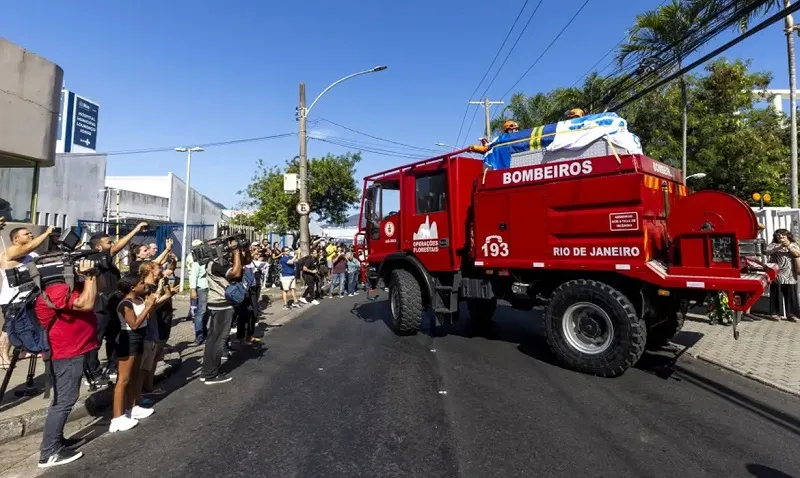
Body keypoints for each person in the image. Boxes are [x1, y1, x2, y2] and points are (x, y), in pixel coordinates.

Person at [35, 259, 99, 468]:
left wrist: (92, 275)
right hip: (66, 353)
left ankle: (57, 440)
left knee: (65, 398)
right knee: (64, 400)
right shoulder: (55, 289)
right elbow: (87, 303)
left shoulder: (65, 286)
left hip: (73, 350)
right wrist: (89, 276)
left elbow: (97, 292)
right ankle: (49, 452)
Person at [85, 222, 149, 385]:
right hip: (100, 306)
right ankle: (93, 372)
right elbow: (116, 248)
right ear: (99, 247)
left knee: (114, 337)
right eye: (108, 242)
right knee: (96, 340)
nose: (112, 245)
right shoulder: (95, 258)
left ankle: (113, 367)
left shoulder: (107, 261)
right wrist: (135, 230)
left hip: (113, 304)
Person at [1, 225, 55, 368]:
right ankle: (2, 356)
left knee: (31, 327)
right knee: (9, 329)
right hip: (14, 300)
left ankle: (24, 351)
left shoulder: (33, 255)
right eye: (26, 234)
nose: (30, 235)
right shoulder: (9, 252)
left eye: (31, 233)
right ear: (15, 239)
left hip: (30, 297)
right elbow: (27, 248)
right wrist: (46, 234)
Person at [110, 273, 156, 433]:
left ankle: (133, 407)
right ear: (132, 287)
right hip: (128, 339)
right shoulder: (125, 304)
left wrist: (158, 300)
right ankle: (117, 418)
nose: (145, 285)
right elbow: (134, 324)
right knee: (123, 379)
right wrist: (149, 306)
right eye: (142, 283)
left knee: (135, 375)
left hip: (140, 338)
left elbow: (146, 316)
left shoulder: (140, 299)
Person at [201, 237, 243, 384]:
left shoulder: (212, 263)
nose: (225, 248)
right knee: (219, 340)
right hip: (222, 305)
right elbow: (236, 273)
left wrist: (239, 252)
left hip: (216, 303)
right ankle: (211, 375)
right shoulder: (216, 265)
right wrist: (236, 251)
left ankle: (206, 370)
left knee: (212, 339)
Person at [138, 262, 177, 398]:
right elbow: (150, 307)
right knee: (149, 359)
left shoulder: (159, 282)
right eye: (159, 268)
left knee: (155, 357)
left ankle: (149, 385)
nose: (162, 270)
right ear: (150, 270)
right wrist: (166, 296)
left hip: (163, 320)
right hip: (154, 324)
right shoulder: (145, 287)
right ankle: (146, 388)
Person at [766, 228, 800, 321]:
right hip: (777, 274)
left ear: (787, 236)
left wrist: (788, 246)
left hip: (790, 274)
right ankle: (774, 313)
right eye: (778, 235)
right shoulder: (773, 245)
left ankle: (792, 314)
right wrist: (779, 247)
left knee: (791, 295)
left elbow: (798, 253)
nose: (780, 237)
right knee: (776, 294)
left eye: (783, 235)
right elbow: (767, 252)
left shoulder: (793, 244)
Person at [188, 239, 209, 345]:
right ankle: (199, 335)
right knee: (201, 312)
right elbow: (193, 274)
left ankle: (205, 332)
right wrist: (193, 289)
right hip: (201, 287)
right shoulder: (195, 258)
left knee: (206, 312)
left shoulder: (206, 256)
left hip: (208, 286)